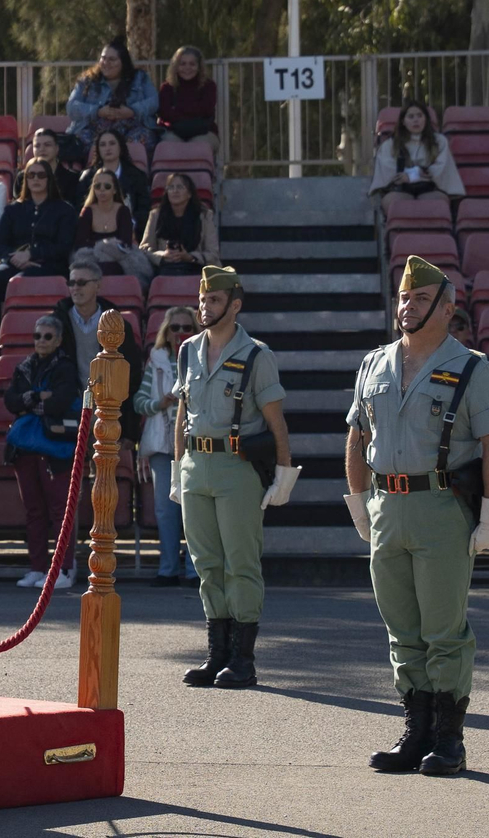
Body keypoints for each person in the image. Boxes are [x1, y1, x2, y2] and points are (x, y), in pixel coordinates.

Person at [344, 256, 489, 776]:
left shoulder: (472, 367)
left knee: (444, 630)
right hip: (387, 505)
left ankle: (448, 739)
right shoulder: (375, 363)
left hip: (441, 508)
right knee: (401, 628)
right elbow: (357, 436)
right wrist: (358, 502)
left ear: (447, 307)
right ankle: (414, 732)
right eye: (403, 298)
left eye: (419, 299)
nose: (407, 307)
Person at [172, 265, 294, 691]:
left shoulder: (257, 355)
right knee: (206, 563)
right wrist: (176, 468)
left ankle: (243, 659)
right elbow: (182, 414)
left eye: (215, 300)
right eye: (203, 299)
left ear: (235, 305)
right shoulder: (188, 349)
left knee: (240, 563)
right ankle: (217, 654)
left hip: (236, 466)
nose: (206, 307)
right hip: (196, 465)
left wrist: (283, 473)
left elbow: (276, 421)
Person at [5, 315, 82, 591]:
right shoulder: (24, 367)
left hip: (56, 448)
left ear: (59, 340)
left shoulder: (65, 367)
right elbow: (11, 401)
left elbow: (61, 401)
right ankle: (37, 567)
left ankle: (65, 568)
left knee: (60, 510)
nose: (41, 341)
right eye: (37, 336)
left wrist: (30, 400)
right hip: (26, 449)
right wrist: (39, 397)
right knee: (34, 510)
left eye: (48, 336)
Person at [133, 307, 199, 586]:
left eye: (187, 327)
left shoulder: (203, 355)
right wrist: (160, 403)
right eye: (175, 327)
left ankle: (196, 571)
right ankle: (168, 568)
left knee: (195, 508)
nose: (180, 333)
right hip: (164, 443)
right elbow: (139, 402)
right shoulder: (157, 360)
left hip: (197, 442)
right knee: (165, 509)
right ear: (166, 331)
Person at [48, 260, 143, 437]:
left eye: (82, 283)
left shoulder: (118, 325)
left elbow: (131, 376)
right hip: (69, 409)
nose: (76, 288)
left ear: (98, 286)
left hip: (108, 412)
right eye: (72, 283)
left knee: (104, 464)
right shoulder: (56, 324)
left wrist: (129, 430)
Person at [0, 157, 79, 303]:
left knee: (21, 280)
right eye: (31, 175)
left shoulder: (64, 210)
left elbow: (64, 246)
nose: (36, 179)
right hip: (16, 264)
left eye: (41, 175)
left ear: (49, 179)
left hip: (50, 265)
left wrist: (31, 254)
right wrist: (15, 258)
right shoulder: (13, 210)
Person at [368, 100, 466, 215]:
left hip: (430, 188)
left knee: (438, 203)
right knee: (394, 203)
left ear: (426, 119)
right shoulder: (390, 145)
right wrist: (416, 174)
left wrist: (411, 176)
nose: (416, 120)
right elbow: (388, 170)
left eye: (419, 116)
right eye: (411, 116)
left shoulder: (439, 142)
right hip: (399, 189)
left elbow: (441, 168)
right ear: (403, 121)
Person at [65, 36, 159, 149]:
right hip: (95, 129)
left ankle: (128, 167)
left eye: (112, 59)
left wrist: (133, 111)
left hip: (132, 128)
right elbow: (71, 107)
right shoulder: (87, 80)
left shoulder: (140, 78)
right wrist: (97, 111)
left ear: (123, 62)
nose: (106, 63)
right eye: (103, 58)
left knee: (142, 139)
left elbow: (154, 102)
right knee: (81, 142)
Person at [141, 172, 220, 277]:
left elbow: (213, 253)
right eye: (171, 187)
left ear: (189, 194)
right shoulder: (155, 215)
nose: (175, 191)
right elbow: (144, 249)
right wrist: (163, 255)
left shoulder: (205, 216)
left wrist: (189, 257)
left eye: (180, 187)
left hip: (198, 267)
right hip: (165, 267)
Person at [157, 45, 220, 153]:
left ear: (199, 66)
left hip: (203, 131)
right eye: (182, 64)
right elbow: (164, 113)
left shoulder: (208, 86)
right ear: (175, 66)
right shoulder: (167, 88)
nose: (187, 68)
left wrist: (177, 110)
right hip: (173, 131)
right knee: (168, 145)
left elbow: (206, 109)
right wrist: (193, 111)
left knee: (197, 147)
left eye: (192, 64)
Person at [72, 169, 137, 272]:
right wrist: (102, 248)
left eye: (107, 186)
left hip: (121, 259)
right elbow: (81, 242)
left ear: (114, 190)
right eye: (97, 186)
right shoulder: (87, 211)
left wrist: (104, 249)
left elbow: (126, 243)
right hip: (92, 258)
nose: (102, 190)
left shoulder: (123, 211)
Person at [77, 128, 152, 216]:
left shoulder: (137, 176)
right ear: (98, 149)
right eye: (103, 145)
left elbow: (144, 209)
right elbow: (79, 207)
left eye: (112, 144)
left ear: (120, 147)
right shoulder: (88, 177)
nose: (107, 148)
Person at [15, 128, 81, 205]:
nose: (42, 149)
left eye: (47, 145)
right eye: (37, 146)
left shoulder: (73, 179)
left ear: (57, 148)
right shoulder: (22, 177)